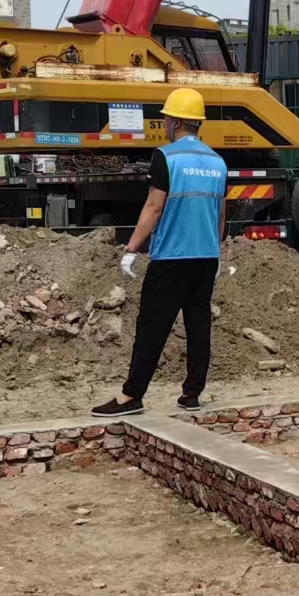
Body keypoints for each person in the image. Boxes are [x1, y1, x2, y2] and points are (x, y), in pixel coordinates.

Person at [93, 87, 227, 417]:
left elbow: (154, 208)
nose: (165, 122)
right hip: (206, 257)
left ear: (177, 122)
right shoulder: (217, 161)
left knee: (152, 326)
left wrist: (132, 248)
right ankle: (192, 395)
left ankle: (131, 396)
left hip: (172, 257)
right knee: (198, 325)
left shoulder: (166, 157)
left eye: (167, 117)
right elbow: (221, 213)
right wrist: (216, 249)